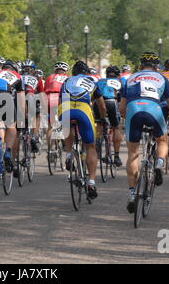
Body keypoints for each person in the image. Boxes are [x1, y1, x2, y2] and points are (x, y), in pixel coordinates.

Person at [120, 52, 169, 214]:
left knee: (133, 154)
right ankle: (159, 164)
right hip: (154, 109)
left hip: (133, 110)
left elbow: (121, 108)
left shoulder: (130, 78)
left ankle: (132, 194)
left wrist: (130, 120)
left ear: (140, 65)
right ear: (156, 66)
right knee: (162, 140)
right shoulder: (162, 79)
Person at [59, 61, 107, 199]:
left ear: (73, 72)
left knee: (68, 130)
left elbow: (59, 101)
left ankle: (68, 156)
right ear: (86, 73)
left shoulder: (66, 80)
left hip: (65, 110)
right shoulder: (91, 81)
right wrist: (102, 119)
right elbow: (102, 106)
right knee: (90, 147)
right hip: (83, 111)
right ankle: (91, 182)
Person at [95, 66, 124, 166]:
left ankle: (97, 144)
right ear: (117, 75)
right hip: (112, 101)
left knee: (99, 123)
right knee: (116, 127)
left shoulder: (100, 81)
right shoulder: (121, 81)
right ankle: (116, 156)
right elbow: (123, 97)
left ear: (106, 74)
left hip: (98, 102)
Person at [20, 59, 45, 153]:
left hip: (18, 100)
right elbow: (42, 94)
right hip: (31, 98)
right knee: (37, 115)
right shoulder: (36, 79)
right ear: (32, 70)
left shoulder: (18, 77)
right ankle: (34, 135)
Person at [44, 62, 69, 156]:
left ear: (55, 70)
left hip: (49, 97)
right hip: (61, 97)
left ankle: (50, 149)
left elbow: (44, 90)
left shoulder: (49, 77)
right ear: (65, 71)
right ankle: (61, 139)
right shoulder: (67, 78)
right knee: (64, 123)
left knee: (50, 126)